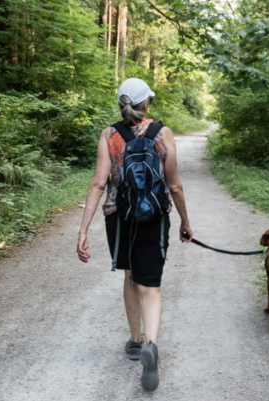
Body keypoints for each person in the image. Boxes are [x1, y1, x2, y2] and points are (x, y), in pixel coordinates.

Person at [76, 77, 193, 392]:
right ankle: (151, 345)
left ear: (121, 104)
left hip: (120, 217)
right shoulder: (162, 133)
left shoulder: (109, 134)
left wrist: (83, 229)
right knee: (150, 286)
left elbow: (99, 183)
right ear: (147, 104)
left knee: (130, 276)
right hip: (154, 218)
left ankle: (134, 340)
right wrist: (184, 221)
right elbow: (175, 185)